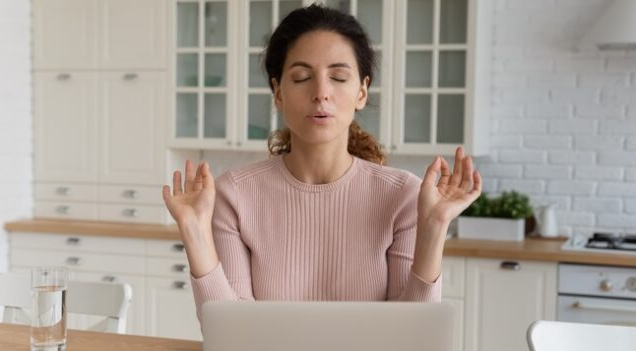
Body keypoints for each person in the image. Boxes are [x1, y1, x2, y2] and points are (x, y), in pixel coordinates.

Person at [162, 4, 481, 323]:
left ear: (362, 91)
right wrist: (193, 231)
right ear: (278, 92)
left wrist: (435, 227)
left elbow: (413, 335)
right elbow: (229, 332)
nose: (321, 93)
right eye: (301, 78)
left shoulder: (402, 196)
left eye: (339, 77)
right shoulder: (235, 194)